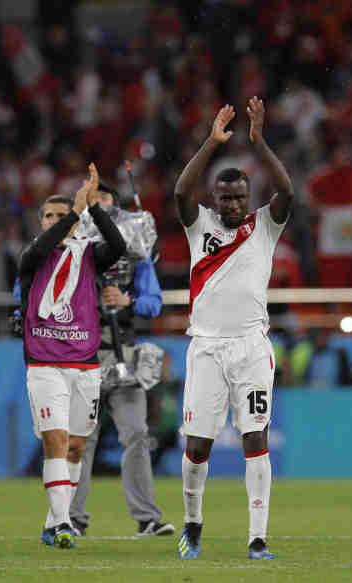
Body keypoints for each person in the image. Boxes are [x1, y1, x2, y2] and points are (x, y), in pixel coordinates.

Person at [173, 97, 293, 561]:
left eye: (240, 196)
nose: (233, 204)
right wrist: (211, 142)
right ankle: (193, 522)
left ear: (248, 196)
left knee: (255, 437)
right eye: (225, 197)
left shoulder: (264, 226)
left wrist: (259, 144)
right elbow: (181, 193)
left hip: (251, 348)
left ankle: (257, 536)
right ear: (215, 199)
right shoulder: (197, 223)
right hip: (205, 348)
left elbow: (289, 192)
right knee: (198, 446)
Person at [18, 164, 125, 550]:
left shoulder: (89, 255)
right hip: (45, 364)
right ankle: (64, 522)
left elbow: (119, 247)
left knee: (77, 446)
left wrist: (93, 208)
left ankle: (52, 522)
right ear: (40, 220)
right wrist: (75, 214)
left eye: (61, 216)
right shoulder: (32, 255)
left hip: (85, 363)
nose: (55, 222)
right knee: (56, 440)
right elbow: (44, 245)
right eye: (49, 216)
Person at [68, 183, 173, 538]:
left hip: (123, 352)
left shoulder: (136, 258)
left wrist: (128, 302)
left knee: (137, 434)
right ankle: (71, 518)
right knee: (81, 439)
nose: (100, 209)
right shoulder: (74, 250)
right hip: (83, 354)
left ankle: (147, 517)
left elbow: (154, 303)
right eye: (93, 203)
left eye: (105, 201)